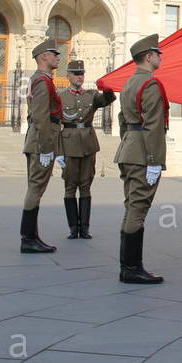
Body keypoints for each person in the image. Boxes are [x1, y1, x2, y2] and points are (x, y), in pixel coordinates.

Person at [110, 35, 168, 284]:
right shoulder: (150, 84)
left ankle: (128, 266)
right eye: (157, 53)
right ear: (148, 57)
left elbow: (124, 120)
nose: (160, 57)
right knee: (138, 208)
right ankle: (132, 268)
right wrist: (154, 160)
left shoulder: (129, 83)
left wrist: (129, 144)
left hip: (129, 148)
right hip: (143, 152)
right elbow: (153, 125)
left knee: (131, 206)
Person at [57, 60, 116, 239]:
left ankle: (85, 228)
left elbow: (108, 99)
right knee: (69, 187)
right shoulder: (60, 96)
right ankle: (73, 228)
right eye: (75, 73)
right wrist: (57, 151)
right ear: (68, 76)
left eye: (81, 73)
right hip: (68, 144)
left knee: (85, 186)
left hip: (88, 144)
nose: (79, 77)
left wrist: (106, 85)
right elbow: (53, 123)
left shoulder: (91, 95)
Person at [20, 39, 62, 253]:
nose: (58, 56)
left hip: (38, 141)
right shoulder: (42, 81)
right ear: (43, 56)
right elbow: (41, 117)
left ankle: (31, 236)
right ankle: (28, 238)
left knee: (35, 189)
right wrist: (46, 148)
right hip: (40, 142)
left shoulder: (41, 79)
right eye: (54, 53)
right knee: (36, 189)